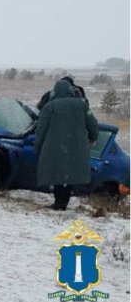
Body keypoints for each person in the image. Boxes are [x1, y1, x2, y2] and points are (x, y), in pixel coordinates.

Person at [35, 79, 99, 210]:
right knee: (68, 175)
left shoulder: (50, 106)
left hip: (55, 147)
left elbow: (41, 130)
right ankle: (64, 202)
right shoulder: (82, 105)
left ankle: (59, 202)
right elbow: (92, 123)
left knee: (58, 174)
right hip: (76, 146)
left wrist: (38, 146)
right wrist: (93, 137)